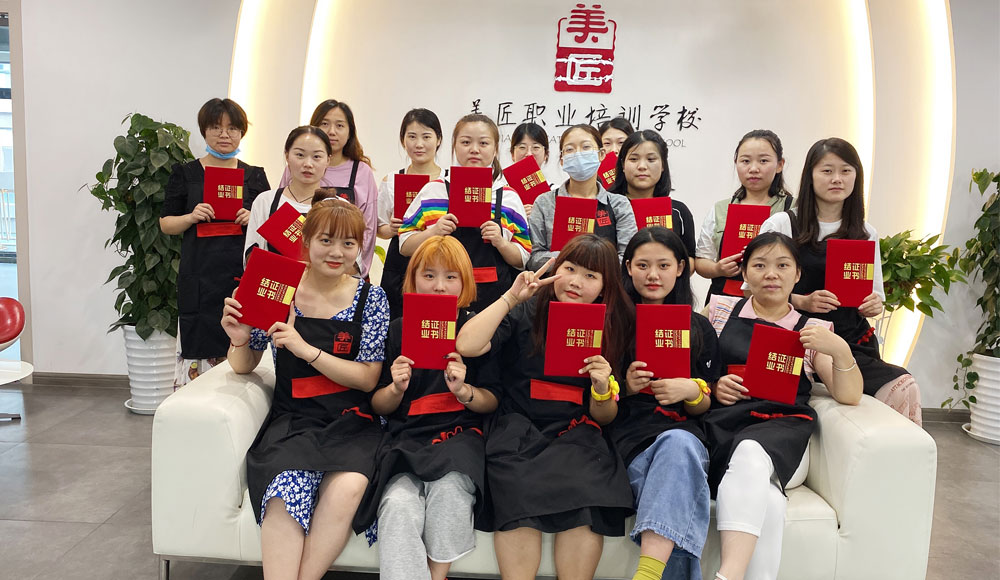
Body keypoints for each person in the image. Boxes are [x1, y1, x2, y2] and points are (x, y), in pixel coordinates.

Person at [221, 200, 389, 580]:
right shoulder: (279, 290)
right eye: (326, 240)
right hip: (294, 420)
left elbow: (367, 379)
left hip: (353, 422)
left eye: (348, 243)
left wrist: (306, 349)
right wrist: (239, 338)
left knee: (349, 487)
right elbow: (245, 364)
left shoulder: (372, 298)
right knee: (284, 488)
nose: (336, 252)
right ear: (306, 241)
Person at [456, 234, 635, 580]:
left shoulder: (614, 326)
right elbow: (466, 344)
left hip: (577, 432)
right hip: (518, 429)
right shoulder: (527, 309)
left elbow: (605, 416)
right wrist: (511, 297)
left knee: (585, 497)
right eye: (570, 269)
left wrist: (601, 389)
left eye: (591, 276)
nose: (576, 282)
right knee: (518, 492)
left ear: (605, 286)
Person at [702, 232, 862, 580]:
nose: (771, 274)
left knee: (750, 451)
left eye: (782, 265)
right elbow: (692, 370)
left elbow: (850, 395)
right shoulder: (719, 310)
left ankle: (727, 575)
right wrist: (713, 386)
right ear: (745, 272)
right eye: (759, 265)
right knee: (771, 503)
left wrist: (839, 350)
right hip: (725, 425)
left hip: (785, 432)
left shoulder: (813, 329)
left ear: (798, 274)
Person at [361, 236, 499, 580]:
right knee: (397, 504)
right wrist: (396, 388)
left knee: (451, 491)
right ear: (413, 279)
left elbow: (492, 400)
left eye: (451, 277)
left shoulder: (475, 330)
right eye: (429, 275)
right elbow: (378, 404)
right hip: (405, 440)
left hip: (460, 437)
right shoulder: (398, 329)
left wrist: (464, 390)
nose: (439, 286)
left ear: (465, 283)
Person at [758, 137, 923, 424]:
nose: (837, 179)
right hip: (795, 337)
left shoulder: (865, 232)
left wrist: (873, 304)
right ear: (810, 176)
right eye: (827, 171)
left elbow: (875, 295)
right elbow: (752, 289)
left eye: (846, 171)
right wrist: (801, 301)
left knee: (904, 385)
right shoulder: (782, 225)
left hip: (850, 340)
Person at [614, 227, 719, 580]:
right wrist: (626, 388)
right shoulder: (612, 323)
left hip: (682, 436)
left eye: (663, 265)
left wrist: (691, 391)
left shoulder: (699, 327)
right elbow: (597, 401)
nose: (653, 275)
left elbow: (705, 406)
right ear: (628, 267)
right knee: (676, 485)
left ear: (681, 268)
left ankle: (647, 574)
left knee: (678, 446)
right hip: (630, 441)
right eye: (643, 265)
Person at [159, 97, 270, 388]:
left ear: (241, 132)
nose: (224, 134)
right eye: (216, 127)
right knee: (198, 344)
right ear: (204, 131)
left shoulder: (255, 176)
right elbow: (166, 223)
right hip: (199, 275)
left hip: (240, 277)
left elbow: (271, 228)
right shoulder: (185, 173)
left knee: (241, 342)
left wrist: (253, 218)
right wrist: (190, 217)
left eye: (232, 128)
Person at [399, 114, 530, 313]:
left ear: (495, 149)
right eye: (466, 142)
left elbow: (522, 258)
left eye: (483, 143)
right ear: (454, 146)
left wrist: (501, 242)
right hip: (439, 297)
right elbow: (404, 246)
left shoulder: (508, 198)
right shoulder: (433, 191)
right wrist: (433, 232)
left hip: (491, 303)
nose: (474, 149)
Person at [279, 100, 379, 277]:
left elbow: (368, 227)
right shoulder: (295, 168)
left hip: (344, 269)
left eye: (339, 125)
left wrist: (354, 269)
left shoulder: (361, 171)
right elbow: (281, 214)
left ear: (350, 131)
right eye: (324, 123)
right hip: (295, 267)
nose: (331, 131)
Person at [695, 130, 794, 301]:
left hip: (774, 300)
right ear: (736, 163)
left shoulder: (793, 209)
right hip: (724, 300)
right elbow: (701, 260)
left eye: (763, 161)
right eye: (745, 161)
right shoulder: (720, 209)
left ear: (780, 164)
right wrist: (717, 269)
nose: (753, 169)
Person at [527, 124, 637, 270]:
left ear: (601, 154)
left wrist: (583, 263)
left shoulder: (619, 204)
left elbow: (627, 257)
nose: (578, 154)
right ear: (562, 160)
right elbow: (533, 257)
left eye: (586, 147)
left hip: (606, 284)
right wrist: (575, 260)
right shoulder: (544, 202)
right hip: (556, 283)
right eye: (570, 149)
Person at [377, 108, 447, 320]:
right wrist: (391, 229)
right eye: (412, 137)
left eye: (426, 136)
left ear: (438, 140)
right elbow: (379, 229)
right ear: (403, 140)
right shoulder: (391, 180)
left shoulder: (449, 181)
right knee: (399, 319)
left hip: (440, 258)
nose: (419, 144)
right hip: (400, 259)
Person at [244, 126, 332, 263]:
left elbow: (352, 265)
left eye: (316, 157)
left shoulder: (339, 207)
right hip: (274, 276)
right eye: (300, 155)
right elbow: (251, 255)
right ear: (287, 156)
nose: (308, 164)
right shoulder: (266, 201)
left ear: (328, 161)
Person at [607, 130, 697, 261]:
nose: (642, 166)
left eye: (651, 159)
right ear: (623, 165)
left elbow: (690, 258)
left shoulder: (678, 211)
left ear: (663, 165)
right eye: (633, 159)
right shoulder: (606, 207)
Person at [508, 122, 550, 218]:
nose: (529, 154)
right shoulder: (502, 193)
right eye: (522, 147)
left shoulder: (556, 192)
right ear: (512, 154)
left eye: (536, 147)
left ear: (546, 154)